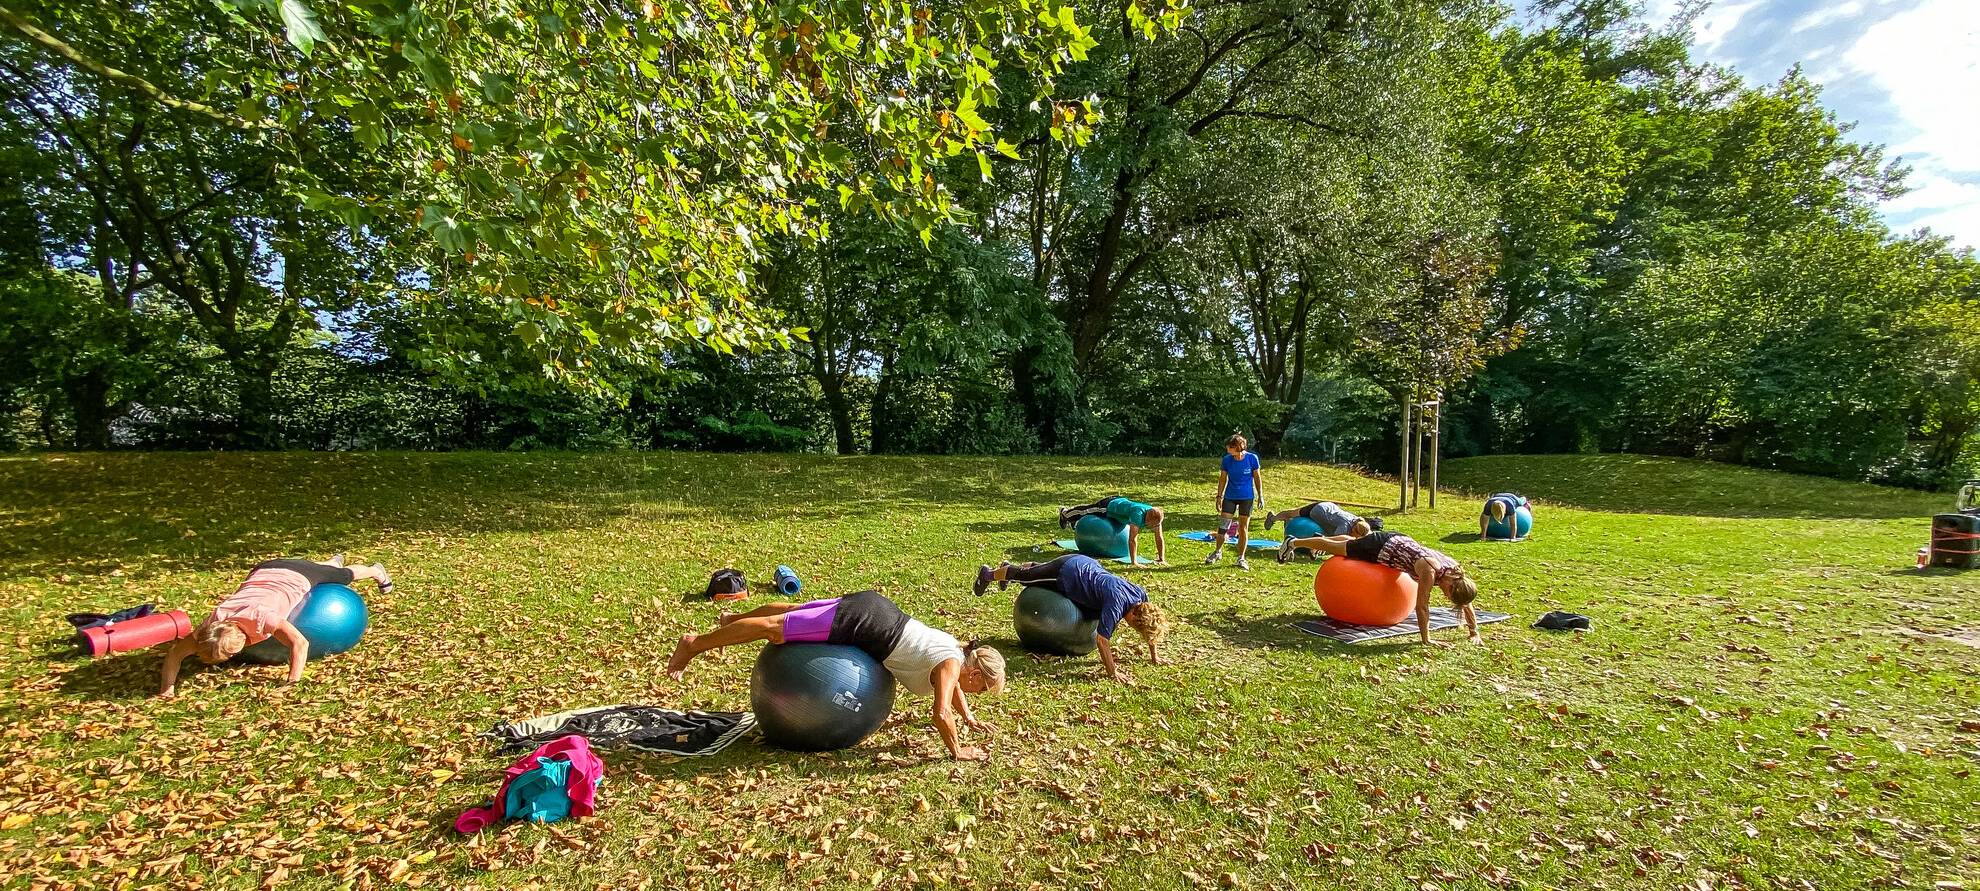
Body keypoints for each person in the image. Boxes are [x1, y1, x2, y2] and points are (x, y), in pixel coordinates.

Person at [665, 590, 1006, 761]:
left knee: (791, 611)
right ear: (974, 672)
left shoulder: (956, 653)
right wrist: (959, 751)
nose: (979, 691)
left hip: (875, 607)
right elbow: (941, 711)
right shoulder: (950, 664)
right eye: (984, 686)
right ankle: (695, 644)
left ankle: (732, 619)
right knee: (776, 631)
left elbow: (954, 694)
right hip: (865, 623)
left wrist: (971, 718)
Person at [158, 555, 393, 697]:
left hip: (297, 575)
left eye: (229, 654)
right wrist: (167, 689)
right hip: (265, 569)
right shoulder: (209, 627)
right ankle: (330, 563)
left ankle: (376, 571)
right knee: (325, 571)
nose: (229, 657)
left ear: (241, 642)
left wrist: (292, 682)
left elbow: (300, 643)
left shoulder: (263, 619)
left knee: (344, 575)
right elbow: (175, 655)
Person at [972, 555, 1170, 683]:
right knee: (1028, 578)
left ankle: (1010, 569)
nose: (1134, 629)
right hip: (1068, 574)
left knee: (1038, 572)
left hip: (1086, 564)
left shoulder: (1140, 595)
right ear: (1135, 616)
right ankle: (989, 574)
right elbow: (1102, 641)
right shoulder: (1116, 604)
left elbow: (1149, 625)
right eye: (1136, 627)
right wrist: (1113, 672)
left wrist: (1154, 655)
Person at [1283, 531, 1482, 646]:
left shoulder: (1456, 573)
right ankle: (1294, 542)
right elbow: (1422, 607)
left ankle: (1325, 539)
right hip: (1380, 548)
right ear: (1452, 586)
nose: (1447, 598)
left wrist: (1475, 632)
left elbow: (1466, 602)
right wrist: (1426, 639)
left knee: (1348, 543)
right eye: (1449, 595)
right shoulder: (1430, 572)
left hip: (1396, 540)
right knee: (1334, 548)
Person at [1206, 433, 1264, 569]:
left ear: (1237, 447)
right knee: (1223, 527)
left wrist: (1260, 495)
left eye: (1230, 447)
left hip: (1246, 498)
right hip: (1230, 497)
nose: (1227, 449)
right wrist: (1219, 497)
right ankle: (1217, 552)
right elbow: (1222, 479)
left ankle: (1241, 558)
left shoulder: (1252, 459)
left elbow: (1257, 477)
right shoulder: (1227, 460)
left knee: (1243, 528)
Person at [1058, 496, 1167, 565]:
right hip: (1109, 505)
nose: (1156, 527)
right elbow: (1132, 539)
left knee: (1084, 513)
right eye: (1155, 524)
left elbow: (1159, 537)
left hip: (1120, 508)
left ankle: (1074, 519)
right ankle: (1065, 514)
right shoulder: (1137, 514)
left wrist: (1162, 558)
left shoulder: (1155, 518)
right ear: (1149, 518)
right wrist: (1134, 562)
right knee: (1086, 511)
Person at [1264, 501, 1380, 537]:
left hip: (1328, 506)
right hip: (1319, 511)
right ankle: (1272, 518)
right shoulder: (1344, 527)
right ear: (1355, 530)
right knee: (1293, 513)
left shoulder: (1358, 520)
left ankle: (1283, 520)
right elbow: (1333, 541)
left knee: (1293, 513)